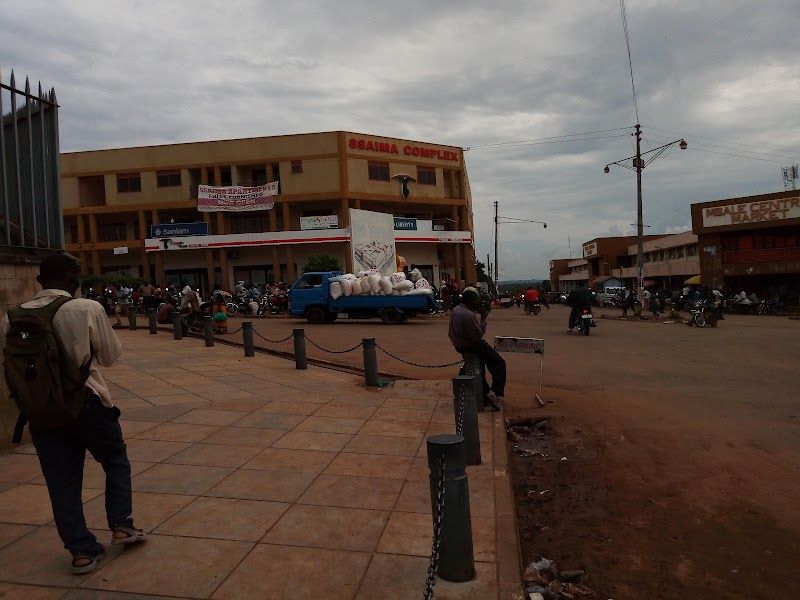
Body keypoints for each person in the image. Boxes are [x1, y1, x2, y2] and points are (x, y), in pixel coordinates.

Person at [0, 254, 145, 574]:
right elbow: (110, 356)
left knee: (61, 481)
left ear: (40, 281)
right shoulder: (86, 308)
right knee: (115, 459)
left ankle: (81, 552)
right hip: (87, 403)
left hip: (41, 411)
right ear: (72, 278)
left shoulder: (11, 318)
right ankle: (122, 525)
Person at [448, 289, 505, 410]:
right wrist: (483, 320)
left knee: (480, 366)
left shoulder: (456, 310)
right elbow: (477, 335)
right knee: (499, 363)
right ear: (471, 301)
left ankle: (485, 393)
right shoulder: (468, 315)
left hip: (460, 345)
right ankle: (496, 392)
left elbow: (451, 333)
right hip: (471, 345)